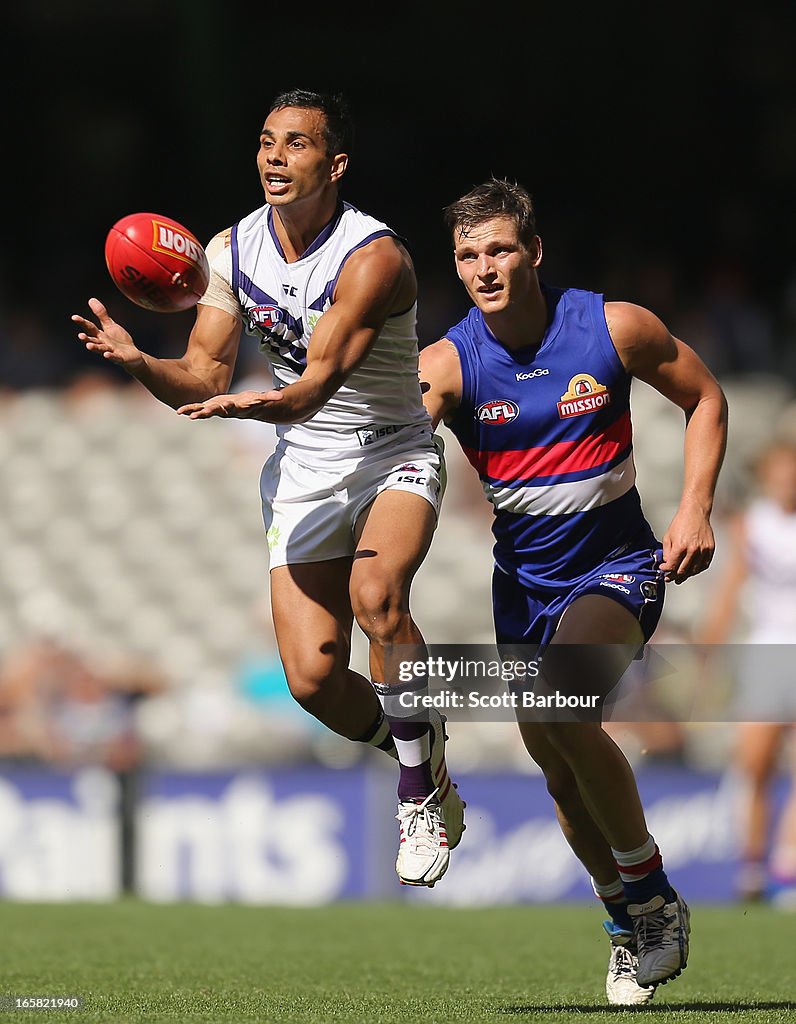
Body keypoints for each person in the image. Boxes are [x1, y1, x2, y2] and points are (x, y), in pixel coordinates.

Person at [71, 88, 464, 887]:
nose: (274, 156)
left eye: (295, 143)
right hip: (305, 467)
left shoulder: (375, 258)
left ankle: (418, 792)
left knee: (378, 594)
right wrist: (141, 361)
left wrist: (265, 404)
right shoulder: (230, 251)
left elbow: (317, 380)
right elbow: (203, 377)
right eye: (264, 141)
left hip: (393, 450)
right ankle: (421, 741)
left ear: (336, 163)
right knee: (314, 680)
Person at [419, 179, 728, 1003]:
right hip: (521, 586)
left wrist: (694, 507)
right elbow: (389, 443)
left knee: (564, 707)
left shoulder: (613, 326)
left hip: (618, 569)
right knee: (558, 768)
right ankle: (627, 924)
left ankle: (655, 892)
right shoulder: (449, 366)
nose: (484, 268)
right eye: (468, 255)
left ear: (535, 252)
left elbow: (705, 398)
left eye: (500, 249)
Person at [698, 438, 796, 906]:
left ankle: (788, 863)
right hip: (767, 652)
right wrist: (711, 650)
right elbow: (732, 587)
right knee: (756, 763)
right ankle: (753, 866)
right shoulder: (753, 525)